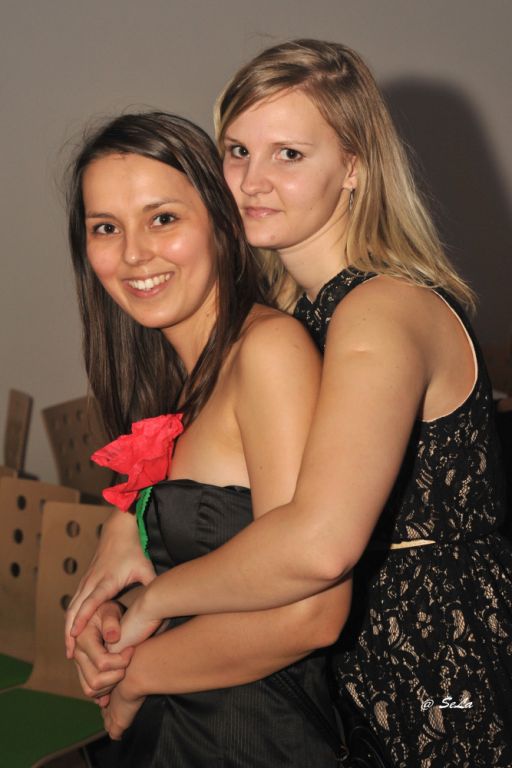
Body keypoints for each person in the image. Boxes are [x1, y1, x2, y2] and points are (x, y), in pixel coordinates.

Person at [67, 40, 512, 766]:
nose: (252, 181)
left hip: (441, 682)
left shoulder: (380, 306)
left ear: (355, 168)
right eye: (238, 151)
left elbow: (319, 543)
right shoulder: (299, 313)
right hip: (352, 675)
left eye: (290, 155)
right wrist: (131, 523)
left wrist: (154, 605)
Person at [65, 110, 350, 766]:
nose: (133, 254)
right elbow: (211, 567)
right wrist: (116, 618)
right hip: (175, 734)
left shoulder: (269, 352)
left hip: (252, 742)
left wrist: (135, 671)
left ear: (221, 221)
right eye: (106, 228)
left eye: (162, 218)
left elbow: (311, 614)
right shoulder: (174, 380)